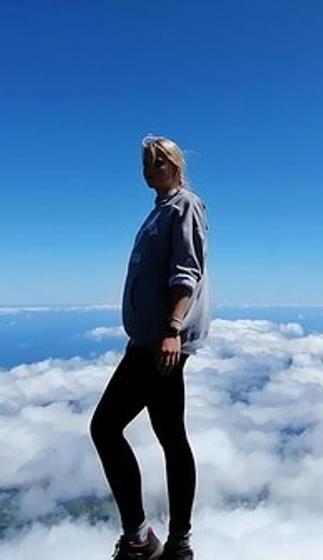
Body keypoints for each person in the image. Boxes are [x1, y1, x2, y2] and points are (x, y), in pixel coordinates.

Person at [91, 134, 212, 560]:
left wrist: (172, 329)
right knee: (171, 438)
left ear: (176, 166)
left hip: (157, 346)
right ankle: (177, 544)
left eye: (158, 162)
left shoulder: (185, 206)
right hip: (151, 342)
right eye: (145, 163)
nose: (150, 169)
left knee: (104, 428)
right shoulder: (159, 211)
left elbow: (187, 272)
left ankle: (141, 539)